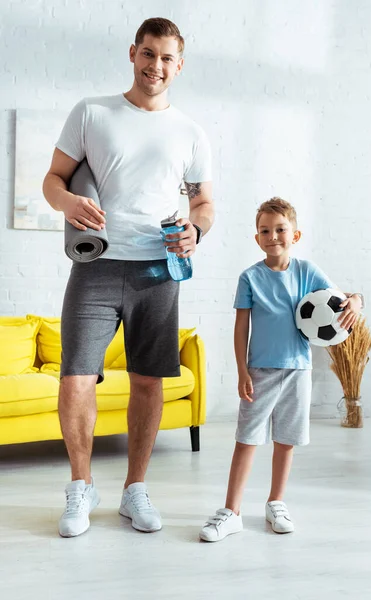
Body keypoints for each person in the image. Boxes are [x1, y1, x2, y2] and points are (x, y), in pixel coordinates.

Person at [42, 17, 214, 538]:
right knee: (76, 376)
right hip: (95, 265)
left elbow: (203, 203)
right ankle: (80, 486)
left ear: (178, 65)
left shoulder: (190, 131)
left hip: (159, 270)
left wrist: (196, 232)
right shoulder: (92, 113)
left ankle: (134, 490)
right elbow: (52, 179)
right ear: (132, 53)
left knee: (148, 379)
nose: (155, 66)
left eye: (166, 58)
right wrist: (70, 201)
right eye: (148, 54)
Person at [199, 197, 363, 542]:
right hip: (260, 371)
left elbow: (343, 297)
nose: (273, 236)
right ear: (257, 238)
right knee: (247, 439)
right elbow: (241, 327)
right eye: (265, 231)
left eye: (280, 229)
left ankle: (276, 502)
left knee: (285, 440)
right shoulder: (250, 278)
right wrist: (242, 370)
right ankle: (232, 511)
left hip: (298, 370)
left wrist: (358, 300)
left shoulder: (307, 272)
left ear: (295, 234)